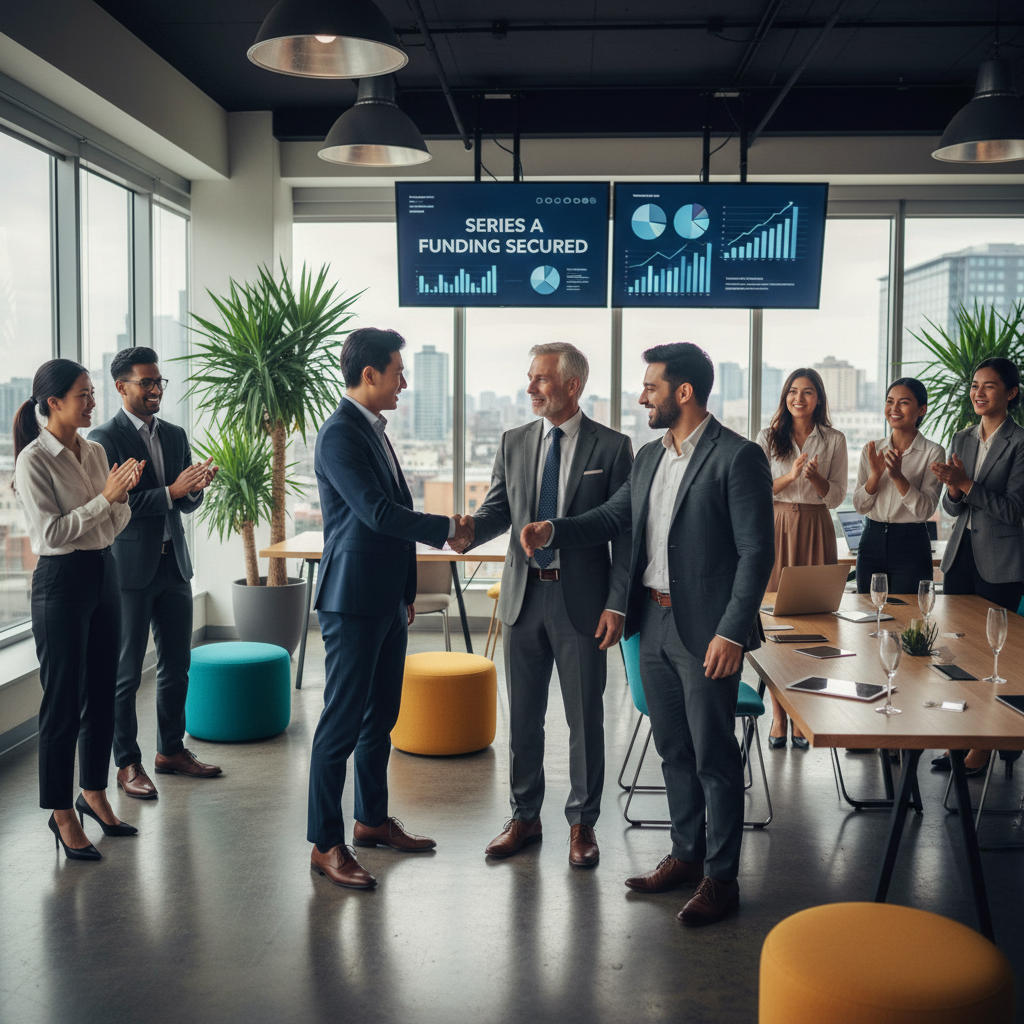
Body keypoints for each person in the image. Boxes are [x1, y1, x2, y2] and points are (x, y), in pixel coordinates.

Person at [521, 343, 774, 925]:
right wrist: (554, 528)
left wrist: (733, 633)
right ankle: (686, 856)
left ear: (683, 393)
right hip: (651, 623)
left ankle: (721, 878)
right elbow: (616, 519)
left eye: (651, 388)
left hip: (707, 629)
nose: (641, 398)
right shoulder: (649, 457)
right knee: (673, 750)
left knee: (714, 757)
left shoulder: (737, 457)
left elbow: (757, 553)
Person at [307, 327, 473, 889]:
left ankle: (371, 820)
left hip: (383, 597)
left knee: (381, 719)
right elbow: (378, 514)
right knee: (341, 723)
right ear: (370, 374)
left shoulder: (373, 431)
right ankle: (326, 843)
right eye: (399, 371)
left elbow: (390, 517)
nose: (405, 381)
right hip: (352, 601)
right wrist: (448, 528)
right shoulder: (339, 434)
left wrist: (405, 592)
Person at [463, 343, 633, 867]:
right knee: (524, 719)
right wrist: (467, 529)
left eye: (540, 379)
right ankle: (524, 816)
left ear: (572, 385)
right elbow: (499, 510)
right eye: (530, 377)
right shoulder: (514, 441)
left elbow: (624, 531)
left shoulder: (613, 447)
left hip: (581, 601)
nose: (531, 387)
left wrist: (618, 603)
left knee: (585, 718)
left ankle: (583, 823)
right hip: (522, 598)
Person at [14, 359, 143, 859]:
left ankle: (93, 793)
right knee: (62, 702)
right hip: (60, 584)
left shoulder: (95, 451)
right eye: (85, 394)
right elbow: (50, 535)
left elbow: (111, 527)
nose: (93, 401)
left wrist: (117, 499)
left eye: (92, 393)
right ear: (55, 403)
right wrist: (105, 500)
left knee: (102, 693)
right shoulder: (33, 460)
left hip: (102, 571)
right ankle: (60, 811)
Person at [89, 347, 220, 799]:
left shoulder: (176, 434)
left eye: (159, 381)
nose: (156, 389)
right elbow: (118, 503)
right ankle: (127, 764)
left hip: (174, 565)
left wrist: (195, 488)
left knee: (176, 666)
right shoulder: (103, 440)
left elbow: (183, 501)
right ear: (121, 386)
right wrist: (170, 491)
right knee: (125, 674)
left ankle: (170, 751)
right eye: (146, 382)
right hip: (129, 571)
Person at [930, 357, 1024, 776]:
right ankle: (961, 736)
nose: (978, 393)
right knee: (957, 653)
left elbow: (1016, 511)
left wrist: (967, 484)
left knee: (992, 659)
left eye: (989, 386)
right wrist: (953, 488)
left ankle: (984, 746)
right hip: (961, 555)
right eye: (974, 385)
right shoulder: (962, 436)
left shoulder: (1020, 443)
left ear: (1011, 393)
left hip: (1001, 562)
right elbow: (953, 505)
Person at [756, 368, 847, 749]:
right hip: (776, 524)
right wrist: (792, 476)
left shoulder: (834, 439)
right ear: (785, 396)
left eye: (807, 392)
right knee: (777, 624)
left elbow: (838, 495)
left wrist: (816, 481)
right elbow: (755, 488)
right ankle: (778, 715)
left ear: (819, 399)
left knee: (813, 623)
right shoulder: (767, 436)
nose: (799, 398)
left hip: (816, 526)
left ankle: (801, 714)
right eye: (793, 391)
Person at [852, 378, 944, 594]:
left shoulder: (934, 452)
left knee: (909, 617)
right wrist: (875, 476)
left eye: (903, 402)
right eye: (889, 401)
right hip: (871, 541)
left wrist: (898, 477)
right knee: (868, 611)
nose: (894, 409)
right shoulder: (872, 449)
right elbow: (860, 506)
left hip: (911, 544)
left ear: (922, 410)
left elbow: (925, 510)